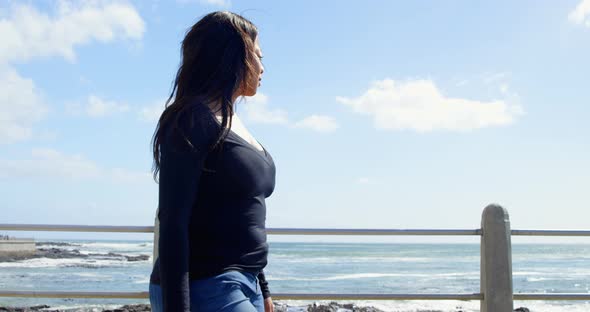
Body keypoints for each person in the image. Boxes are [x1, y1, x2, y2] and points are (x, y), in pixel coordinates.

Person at [148, 11, 275, 312]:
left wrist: (263, 288)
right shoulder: (191, 120)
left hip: (246, 283)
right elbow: (174, 221)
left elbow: (240, 213)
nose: (263, 67)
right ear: (233, 56)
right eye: (258, 56)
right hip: (206, 284)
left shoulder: (234, 123)